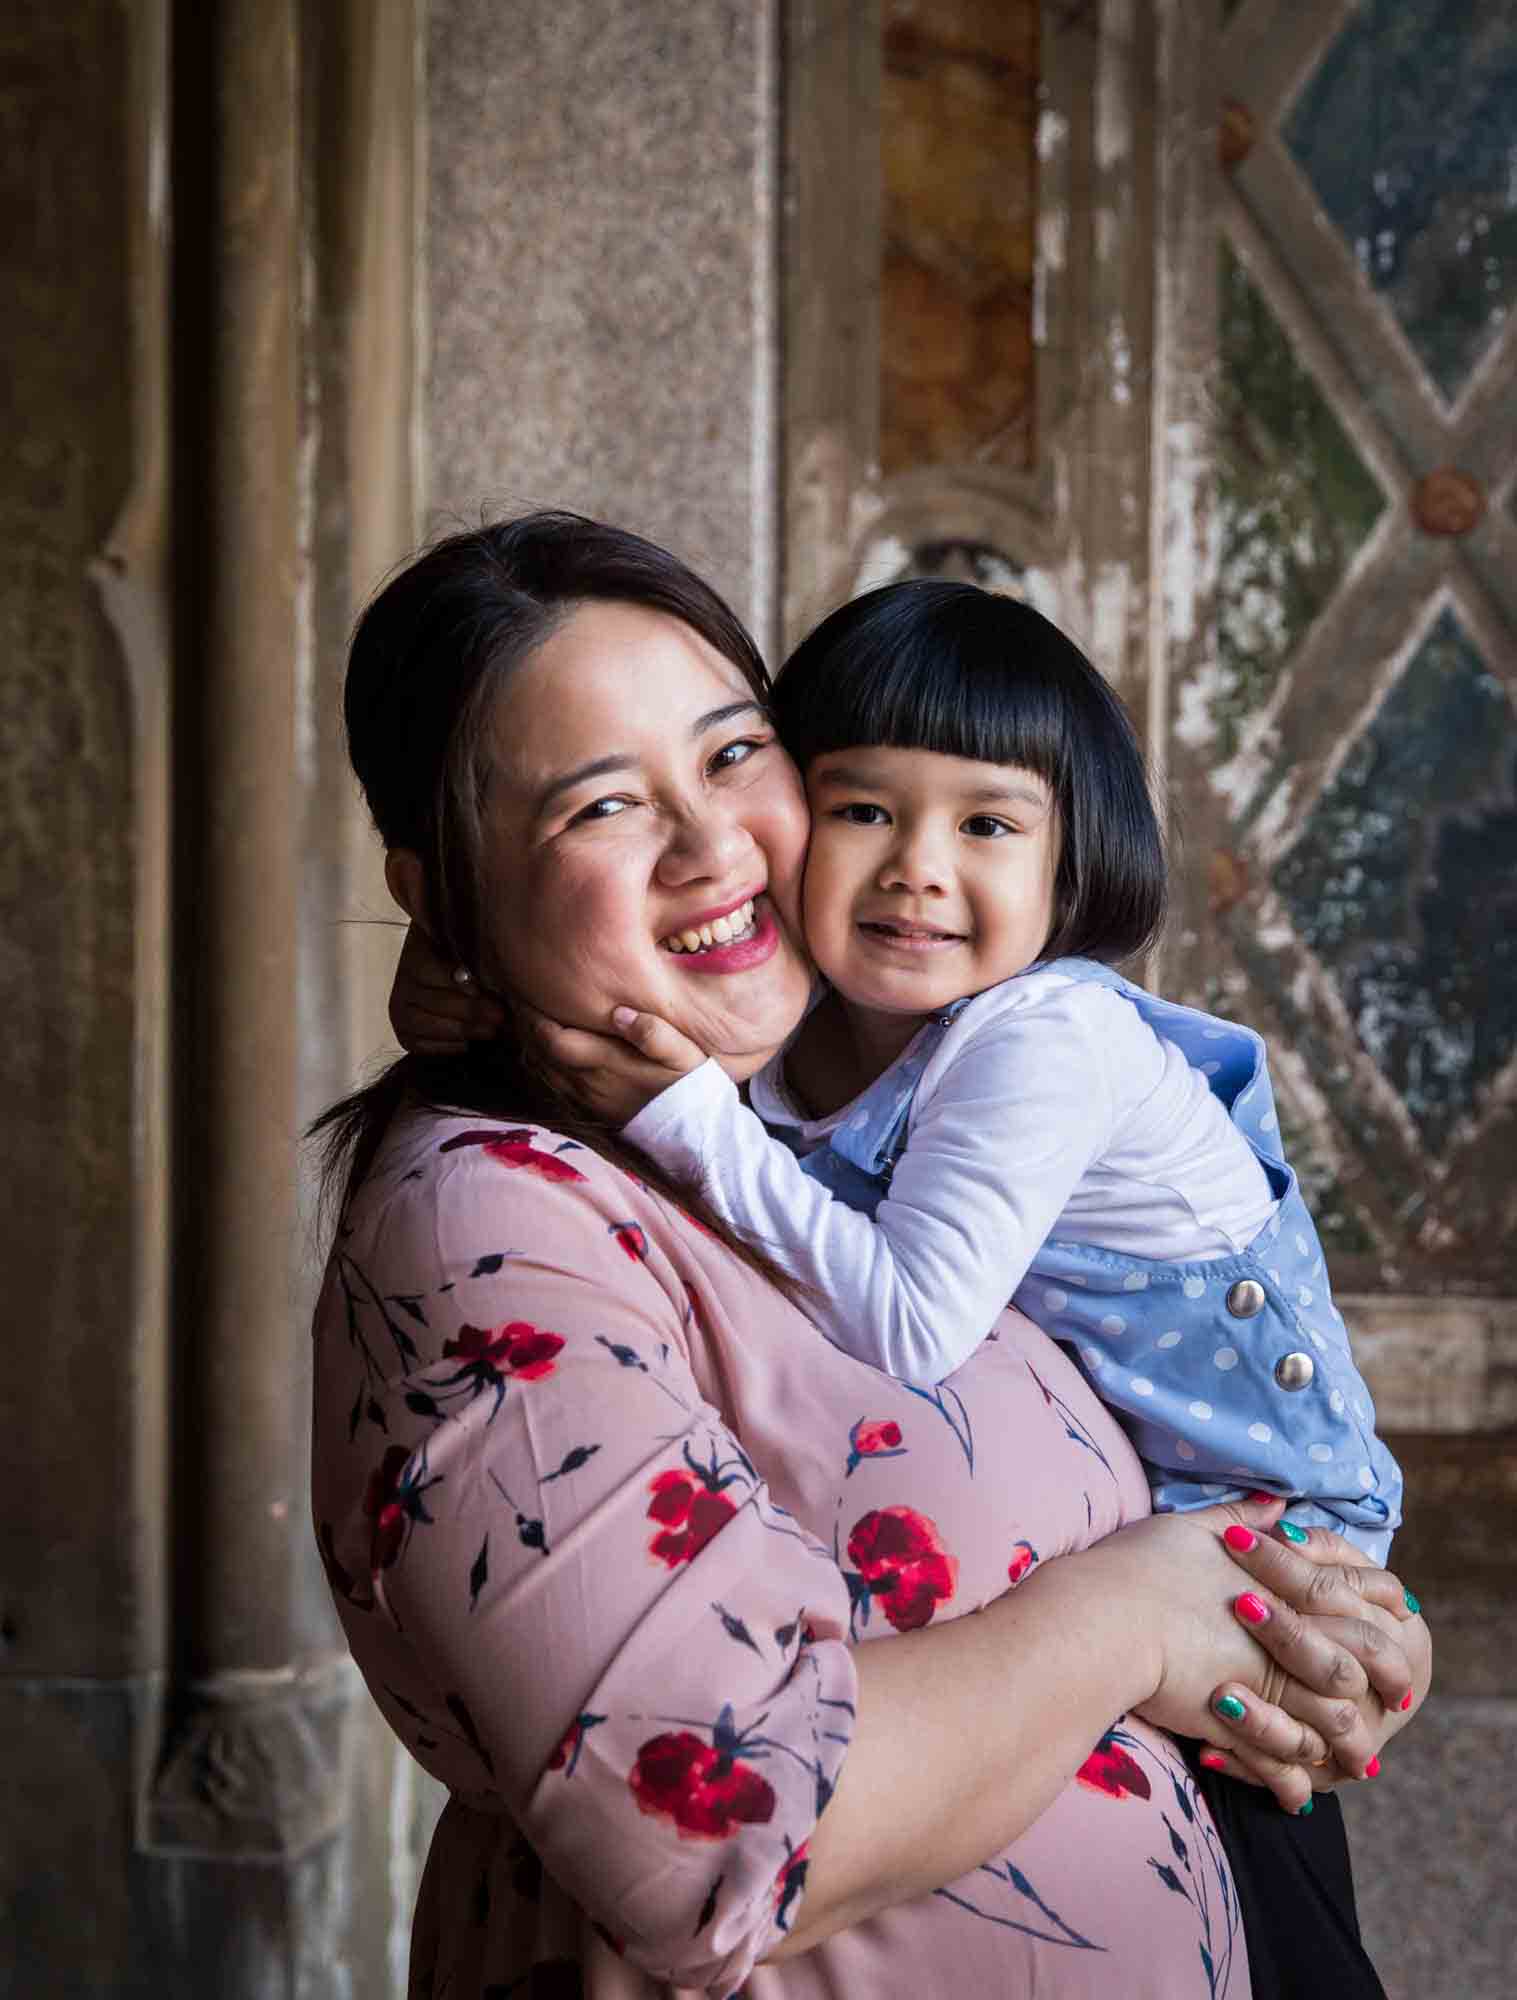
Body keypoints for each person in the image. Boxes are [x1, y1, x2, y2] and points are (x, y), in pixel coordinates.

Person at [318, 512, 1427, 2000]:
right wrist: (1134, 1619)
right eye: (598, 809)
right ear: (441, 883)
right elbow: (715, 1843)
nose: (716, 847)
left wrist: (1305, 1636)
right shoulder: (491, 1228)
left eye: (728, 755)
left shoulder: (851, 1090)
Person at [508, 580, 1403, 1564]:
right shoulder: (815, 1010)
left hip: (1282, 1524)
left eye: (985, 826)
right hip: (1129, 1524)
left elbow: (907, 1325)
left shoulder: (1044, 1039)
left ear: (1066, 860)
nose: (916, 867)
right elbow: (621, 1010)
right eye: (861, 809)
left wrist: (685, 1116)